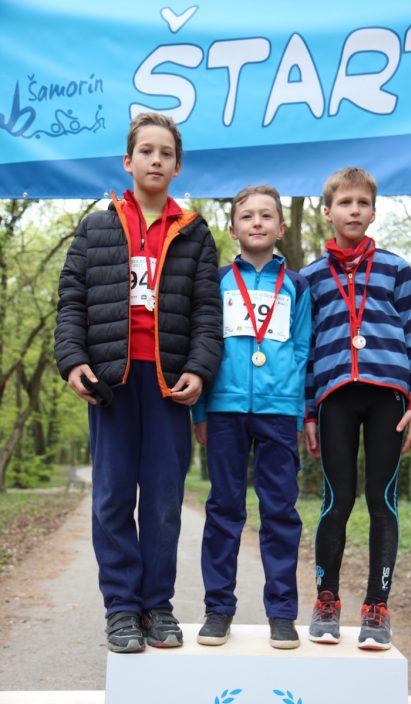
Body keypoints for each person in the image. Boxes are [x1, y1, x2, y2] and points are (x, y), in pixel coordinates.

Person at [54, 112, 222, 653]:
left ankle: (158, 606)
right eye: (146, 151)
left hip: (169, 383)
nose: (156, 159)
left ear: (177, 166)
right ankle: (122, 609)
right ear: (127, 161)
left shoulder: (195, 233)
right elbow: (71, 300)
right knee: (112, 497)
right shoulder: (96, 228)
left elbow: (207, 312)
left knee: (164, 500)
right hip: (112, 381)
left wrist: (198, 368)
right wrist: (72, 361)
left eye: (166, 153)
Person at [301, 167, 411, 650]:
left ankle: (377, 607)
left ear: (374, 212)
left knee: (382, 499)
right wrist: (308, 412)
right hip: (334, 396)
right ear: (327, 212)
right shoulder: (311, 277)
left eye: (362, 203)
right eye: (345, 202)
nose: (353, 210)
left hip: (388, 397)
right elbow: (307, 350)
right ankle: (326, 600)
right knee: (337, 500)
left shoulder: (396, 268)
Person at [192, 185, 312, 649]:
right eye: (247, 216)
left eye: (266, 216)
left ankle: (282, 613)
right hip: (224, 409)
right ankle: (217, 609)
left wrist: (297, 413)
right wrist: (201, 410)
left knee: (279, 510)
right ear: (232, 228)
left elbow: (301, 350)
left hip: (279, 412)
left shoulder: (297, 285)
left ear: (281, 228)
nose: (257, 222)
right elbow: (203, 345)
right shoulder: (216, 281)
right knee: (224, 507)